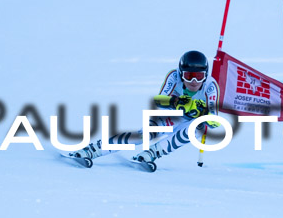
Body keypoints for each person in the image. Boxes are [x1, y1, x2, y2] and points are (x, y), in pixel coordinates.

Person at [69, 50, 220, 167]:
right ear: (181, 74)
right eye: (189, 76)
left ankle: (153, 153)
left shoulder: (211, 86)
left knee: (197, 128)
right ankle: (93, 150)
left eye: (199, 77)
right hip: (172, 114)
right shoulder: (174, 76)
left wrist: (202, 111)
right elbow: (159, 100)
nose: (194, 81)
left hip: (191, 121)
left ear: (205, 76)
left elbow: (215, 121)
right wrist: (177, 102)